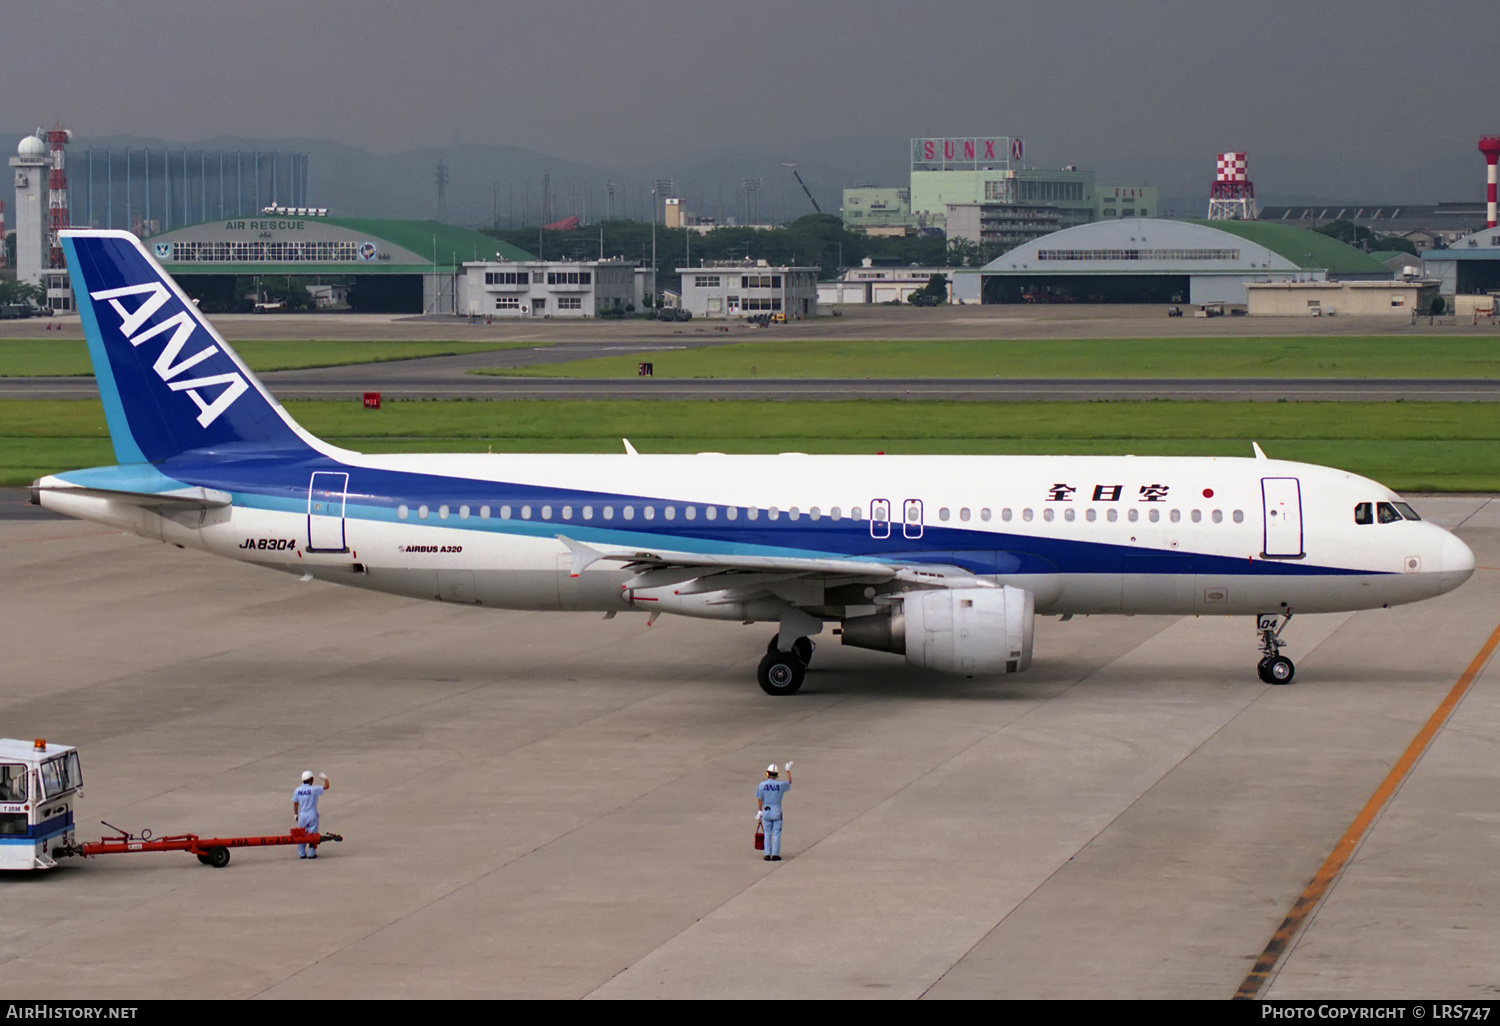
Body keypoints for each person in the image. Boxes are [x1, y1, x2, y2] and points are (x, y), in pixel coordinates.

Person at [756, 761, 793, 861]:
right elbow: (789, 781)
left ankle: (767, 854)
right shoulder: (780, 785)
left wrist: (759, 811)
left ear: (767, 773)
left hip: (766, 810)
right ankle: (775, 854)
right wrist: (788, 770)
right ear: (777, 775)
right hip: (776, 810)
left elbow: (760, 799)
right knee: (776, 833)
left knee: (767, 833)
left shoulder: (762, 785)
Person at [292, 770, 330, 859]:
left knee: (301, 835)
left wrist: (296, 814)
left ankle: (302, 853)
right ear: (311, 780)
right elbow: (326, 786)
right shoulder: (314, 789)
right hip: (312, 814)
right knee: (312, 835)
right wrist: (325, 778)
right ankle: (311, 853)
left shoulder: (297, 790)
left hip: (302, 815)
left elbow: (295, 803)